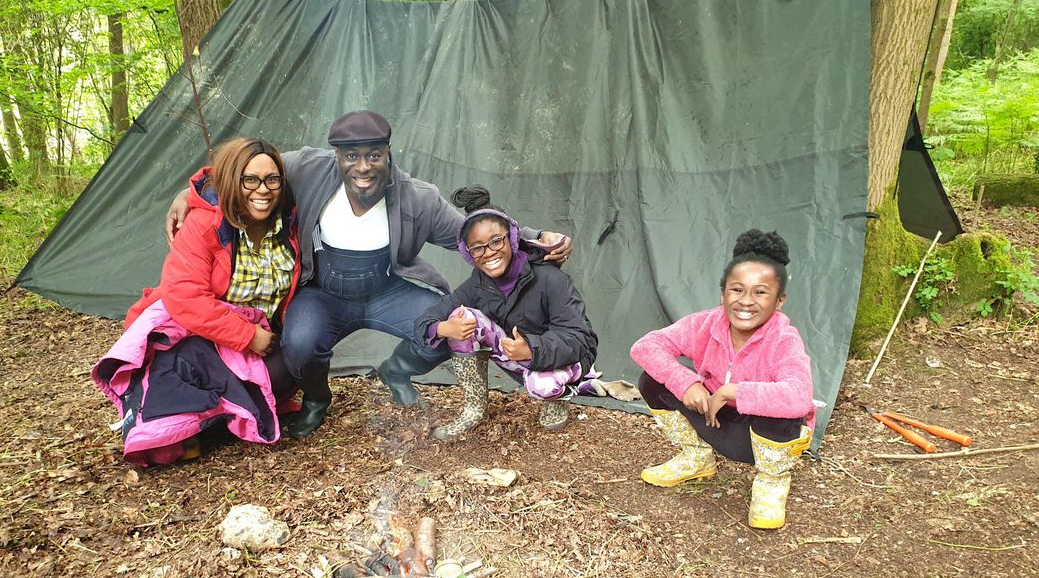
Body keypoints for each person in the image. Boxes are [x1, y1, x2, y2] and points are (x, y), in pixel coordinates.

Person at [165, 111, 572, 439]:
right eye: (351, 156)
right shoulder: (306, 167)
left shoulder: (416, 196)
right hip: (323, 290)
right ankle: (316, 401)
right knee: (300, 344)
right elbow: (241, 172)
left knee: (448, 329)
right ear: (336, 155)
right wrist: (190, 193)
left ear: (388, 153)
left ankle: (396, 369)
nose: (363, 167)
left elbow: (472, 228)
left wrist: (538, 240)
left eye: (373, 155)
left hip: (386, 288)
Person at [93, 137, 301, 464]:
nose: (263, 189)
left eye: (272, 179)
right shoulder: (206, 224)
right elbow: (185, 296)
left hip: (258, 332)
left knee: (287, 371)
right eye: (250, 179)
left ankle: (220, 416)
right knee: (188, 362)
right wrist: (248, 336)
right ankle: (189, 423)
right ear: (233, 180)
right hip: (201, 331)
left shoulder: (287, 222)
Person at [629, 229, 814, 530]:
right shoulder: (705, 324)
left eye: (760, 292)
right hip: (713, 420)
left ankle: (771, 483)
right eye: (737, 290)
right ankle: (696, 457)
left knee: (783, 410)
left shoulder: (784, 339)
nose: (746, 302)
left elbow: (799, 396)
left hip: (758, 438)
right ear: (723, 294)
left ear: (779, 301)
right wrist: (685, 382)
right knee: (652, 380)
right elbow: (645, 346)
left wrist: (733, 391)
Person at [415, 186, 598, 439]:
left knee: (542, 385)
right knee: (461, 317)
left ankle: (558, 401)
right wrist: (443, 328)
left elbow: (579, 338)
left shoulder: (550, 279)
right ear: (468, 254)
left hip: (563, 357)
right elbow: (427, 319)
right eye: (477, 247)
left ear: (512, 238)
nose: (488, 252)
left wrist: (532, 348)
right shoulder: (477, 285)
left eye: (496, 241)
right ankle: (474, 409)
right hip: (516, 355)